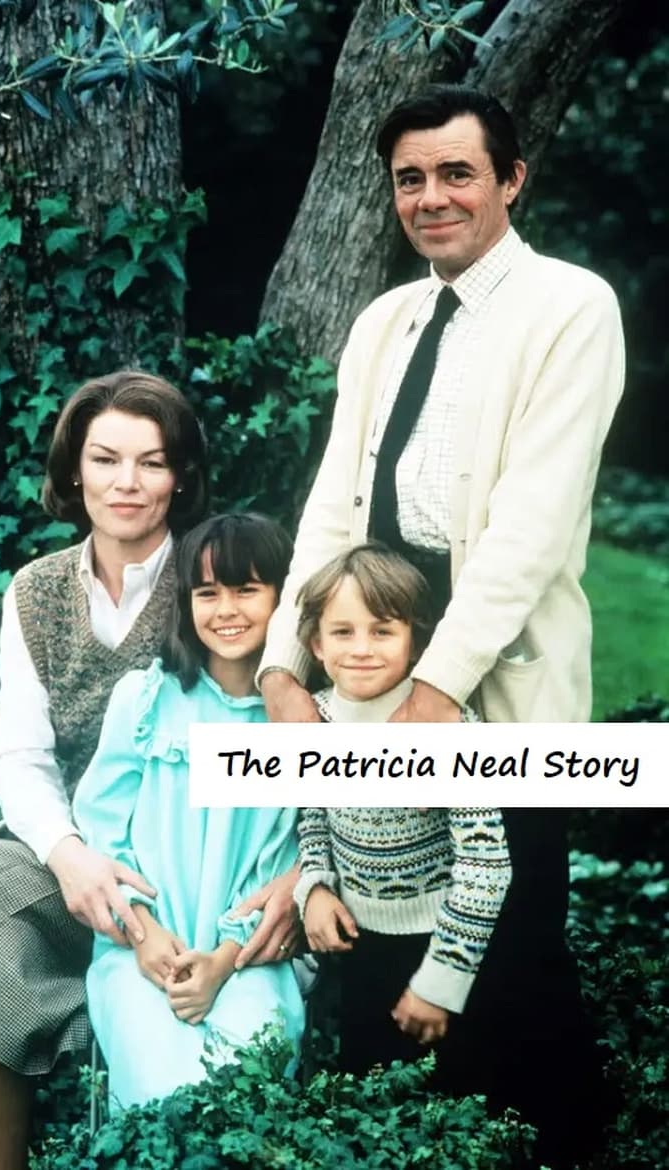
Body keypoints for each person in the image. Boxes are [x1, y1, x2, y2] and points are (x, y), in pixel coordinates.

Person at [258, 85, 624, 1165]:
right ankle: (404, 1142)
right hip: (372, 661)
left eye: (457, 172)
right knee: (384, 947)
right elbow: (333, 505)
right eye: (410, 179)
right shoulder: (386, 321)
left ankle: (559, 1144)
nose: (432, 197)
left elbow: (532, 527)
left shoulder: (571, 307)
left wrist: (440, 689)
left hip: (493, 675)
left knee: (512, 944)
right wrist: (285, 664)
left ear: (512, 179)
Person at [0, 373, 295, 1170]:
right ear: (75, 470)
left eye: (152, 462)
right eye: (106, 459)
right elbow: (19, 756)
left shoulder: (211, 578)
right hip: (70, 855)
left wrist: (306, 868)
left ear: (181, 477)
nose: (127, 482)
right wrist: (72, 855)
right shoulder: (37, 591)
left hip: (186, 866)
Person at [73, 513, 305, 1107]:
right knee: (159, 1090)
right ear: (186, 602)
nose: (226, 609)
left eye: (246, 590)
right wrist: (144, 934)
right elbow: (103, 831)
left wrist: (224, 961)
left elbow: (289, 856)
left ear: (283, 598)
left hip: (249, 958)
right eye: (208, 593)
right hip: (142, 949)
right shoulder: (146, 699)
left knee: (247, 1082)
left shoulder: (298, 723)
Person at [293, 543, 512, 1075]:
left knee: (460, 1089)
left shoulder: (445, 728)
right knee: (367, 1086)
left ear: (415, 641)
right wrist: (314, 887)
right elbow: (313, 817)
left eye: (382, 631)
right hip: (359, 944)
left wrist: (440, 982)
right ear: (316, 644)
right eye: (342, 632)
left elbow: (487, 865)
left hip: (444, 944)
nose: (361, 649)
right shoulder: (313, 721)